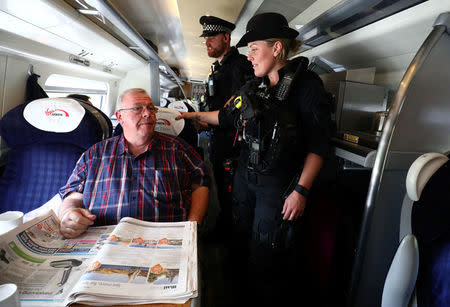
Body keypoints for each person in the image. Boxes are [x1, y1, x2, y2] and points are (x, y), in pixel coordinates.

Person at [178, 13, 332, 305]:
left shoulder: (307, 87)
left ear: (276, 49)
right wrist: (191, 116)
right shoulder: (253, 87)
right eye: (248, 50)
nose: (249, 56)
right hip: (246, 178)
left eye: (254, 49)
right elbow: (225, 116)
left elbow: (319, 144)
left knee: (267, 254)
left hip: (279, 186)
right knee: (238, 243)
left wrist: (301, 191)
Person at [58, 88, 210, 239]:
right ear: (120, 116)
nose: (148, 113)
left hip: (164, 241)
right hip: (103, 242)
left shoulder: (178, 148)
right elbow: (72, 196)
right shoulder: (94, 154)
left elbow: (201, 183)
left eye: (151, 108)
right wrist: (69, 214)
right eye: (138, 108)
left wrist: (192, 227)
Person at [199, 15, 253, 239]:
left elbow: (238, 110)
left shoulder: (239, 66)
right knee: (221, 187)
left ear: (226, 38)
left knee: (232, 193)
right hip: (219, 140)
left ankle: (231, 237)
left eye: (211, 37)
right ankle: (224, 228)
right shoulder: (219, 67)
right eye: (205, 38)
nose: (207, 42)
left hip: (233, 144)